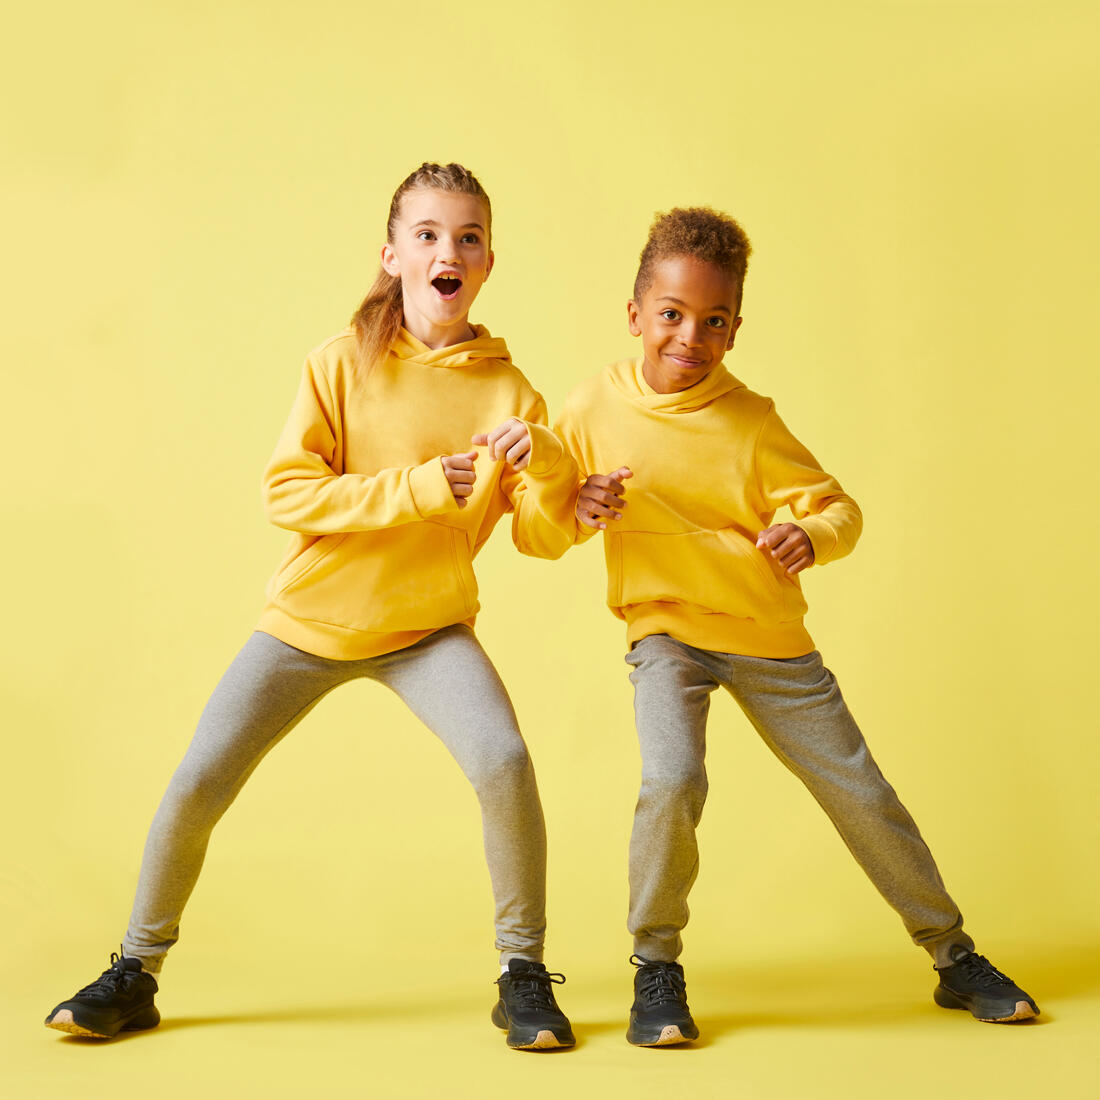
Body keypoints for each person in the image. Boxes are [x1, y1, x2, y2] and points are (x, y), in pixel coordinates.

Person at [44, 162, 577, 1052]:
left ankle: (523, 975)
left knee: (505, 760)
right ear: (394, 254)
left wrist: (552, 464)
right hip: (308, 624)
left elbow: (541, 537)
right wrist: (410, 490)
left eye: (469, 238)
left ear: (487, 264)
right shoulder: (338, 361)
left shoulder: (513, 394)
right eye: (430, 234)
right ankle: (136, 970)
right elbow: (287, 494)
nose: (450, 250)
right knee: (199, 780)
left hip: (427, 629)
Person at [552, 206, 1038, 1046]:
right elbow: (537, 521)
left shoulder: (752, 419)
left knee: (860, 794)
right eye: (670, 315)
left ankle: (953, 955)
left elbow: (839, 509)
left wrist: (807, 534)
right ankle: (656, 970)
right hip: (665, 628)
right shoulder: (592, 405)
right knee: (671, 781)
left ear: (735, 330)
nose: (687, 338)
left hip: (768, 636)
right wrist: (577, 508)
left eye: (712, 322)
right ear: (635, 314)